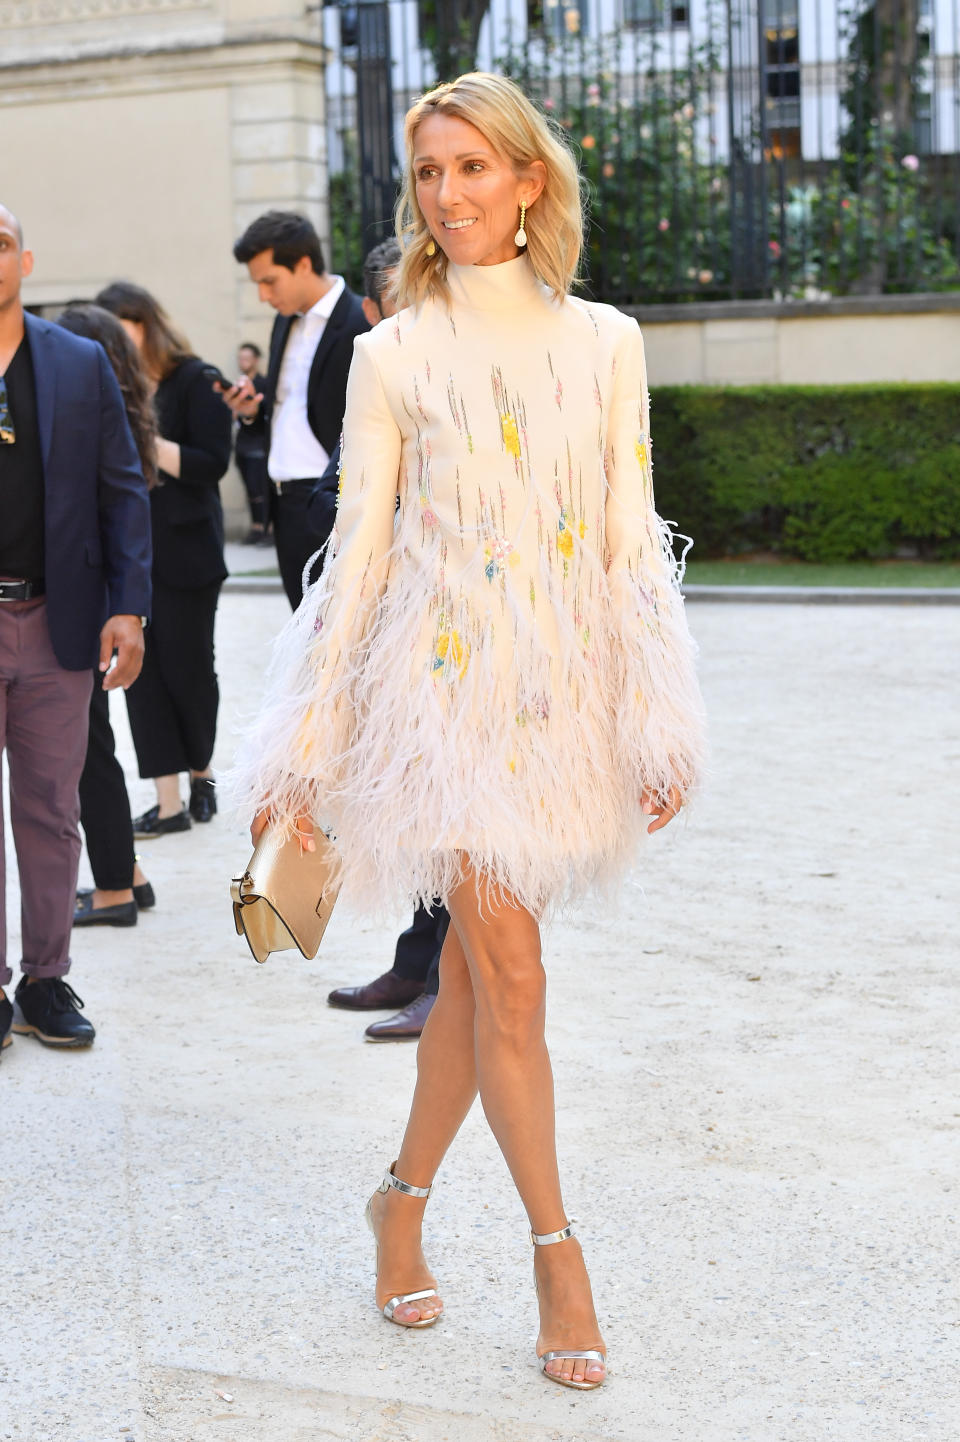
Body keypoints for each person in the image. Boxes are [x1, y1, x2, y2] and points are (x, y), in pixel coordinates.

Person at [231, 74, 705, 1390]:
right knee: (518, 967)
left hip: (559, 705)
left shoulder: (607, 340)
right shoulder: (393, 354)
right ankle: (561, 1250)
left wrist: (659, 715)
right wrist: (304, 749)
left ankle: (400, 1198)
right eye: (428, 172)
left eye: (472, 168)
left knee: (482, 980)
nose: (447, 194)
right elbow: (359, 561)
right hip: (441, 707)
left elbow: (630, 543)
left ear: (528, 179)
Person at [0, 205, 151, 1055]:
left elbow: (121, 489)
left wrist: (128, 608)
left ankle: (45, 980)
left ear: (25, 259)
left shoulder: (77, 362)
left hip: (58, 621)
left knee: (51, 810)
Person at [318, 238, 450, 1043]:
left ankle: (446, 985)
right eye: (404, 300)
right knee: (423, 813)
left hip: (461, 627)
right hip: (393, 627)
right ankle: (416, 964)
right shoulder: (380, 371)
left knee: (466, 819)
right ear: (375, 310)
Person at [96, 282, 232, 838]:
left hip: (188, 551)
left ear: (144, 323)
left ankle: (202, 774)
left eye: (119, 329)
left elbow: (212, 463)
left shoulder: (195, 379)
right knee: (141, 677)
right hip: (132, 551)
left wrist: (144, 437)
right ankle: (168, 800)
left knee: (190, 670)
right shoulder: (110, 384)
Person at [55, 304, 159, 928]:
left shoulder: (84, 410)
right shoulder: (125, 404)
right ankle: (129, 873)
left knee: (88, 751)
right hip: (98, 597)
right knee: (94, 745)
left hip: (83, 602)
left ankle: (116, 887)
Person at [224, 210, 368, 609]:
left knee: (346, 639)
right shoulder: (284, 322)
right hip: (284, 504)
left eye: (269, 281)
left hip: (333, 501)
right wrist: (253, 411)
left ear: (304, 264)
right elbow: (290, 405)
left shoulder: (360, 319)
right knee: (303, 644)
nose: (263, 296)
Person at [234, 341, 271, 546]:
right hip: (243, 445)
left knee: (260, 489)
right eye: (240, 358)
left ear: (256, 360)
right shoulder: (238, 384)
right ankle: (256, 527)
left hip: (259, 445)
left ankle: (266, 529)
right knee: (250, 489)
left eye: (247, 358)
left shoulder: (263, 385)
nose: (243, 362)